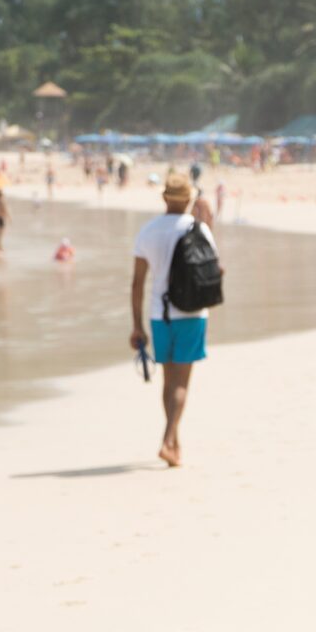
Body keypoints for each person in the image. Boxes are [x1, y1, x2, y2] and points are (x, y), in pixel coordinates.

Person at [129, 173, 218, 467]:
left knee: (168, 384)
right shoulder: (200, 230)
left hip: (159, 315)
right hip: (192, 315)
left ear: (165, 198)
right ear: (189, 199)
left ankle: (173, 440)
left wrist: (137, 325)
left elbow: (137, 283)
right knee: (182, 384)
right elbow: (214, 271)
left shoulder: (148, 232)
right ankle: (169, 440)